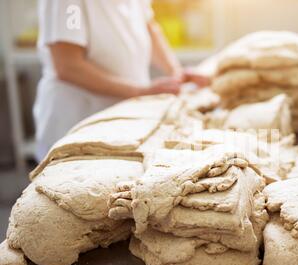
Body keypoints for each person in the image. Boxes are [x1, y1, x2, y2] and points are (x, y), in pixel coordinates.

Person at [33, 0, 208, 160]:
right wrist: (141, 92)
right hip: (77, 122)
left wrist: (176, 72)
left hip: (125, 119)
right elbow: (69, 66)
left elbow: (148, 27)